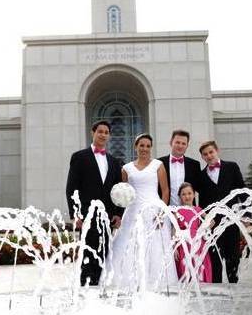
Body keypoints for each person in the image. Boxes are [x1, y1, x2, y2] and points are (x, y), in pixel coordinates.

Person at [104, 133, 178, 291]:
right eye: (141, 145)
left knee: (156, 245)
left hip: (154, 210)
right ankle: (128, 281)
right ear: (136, 147)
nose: (144, 148)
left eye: (148, 146)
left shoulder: (158, 165)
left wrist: (162, 213)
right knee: (128, 243)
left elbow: (165, 191)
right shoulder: (126, 168)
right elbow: (123, 191)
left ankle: (155, 282)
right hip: (133, 211)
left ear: (151, 148)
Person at [65, 120, 123, 286]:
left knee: (103, 251)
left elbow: (119, 190)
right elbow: (71, 188)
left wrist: (119, 214)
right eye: (100, 131)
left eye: (106, 132)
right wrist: (75, 213)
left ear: (109, 136)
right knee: (87, 252)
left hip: (107, 216)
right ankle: (84, 287)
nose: (103, 135)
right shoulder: (79, 157)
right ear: (93, 132)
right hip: (86, 214)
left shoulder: (114, 161)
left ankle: (97, 286)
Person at [197, 140, 247, 284]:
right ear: (202, 157)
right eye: (205, 154)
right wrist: (203, 220)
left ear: (217, 150)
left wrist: (245, 213)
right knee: (214, 257)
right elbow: (202, 202)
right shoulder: (201, 176)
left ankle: (233, 284)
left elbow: (242, 190)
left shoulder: (231, 167)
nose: (209, 156)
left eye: (211, 152)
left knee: (233, 256)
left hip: (231, 219)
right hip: (212, 223)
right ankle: (217, 287)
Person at [174, 182, 212, 283]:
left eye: (189, 193)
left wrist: (202, 230)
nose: (187, 196)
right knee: (185, 266)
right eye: (184, 194)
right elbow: (174, 229)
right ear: (179, 197)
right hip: (184, 244)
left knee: (199, 265)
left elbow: (211, 221)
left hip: (197, 243)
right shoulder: (177, 211)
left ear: (194, 194)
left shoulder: (198, 209)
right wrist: (174, 246)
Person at [157, 129, 202, 206]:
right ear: (171, 143)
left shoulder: (194, 165)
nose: (180, 146)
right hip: (166, 211)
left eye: (183, 143)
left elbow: (201, 189)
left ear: (187, 146)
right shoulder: (159, 163)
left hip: (189, 212)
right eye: (177, 142)